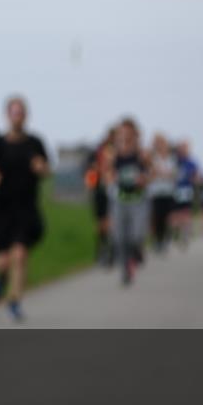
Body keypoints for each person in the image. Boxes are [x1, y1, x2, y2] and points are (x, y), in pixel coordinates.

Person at [0, 96, 49, 322]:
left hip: (26, 207)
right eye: (13, 112)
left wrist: (41, 168)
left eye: (20, 112)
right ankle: (0, 280)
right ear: (7, 115)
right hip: (2, 208)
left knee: (20, 255)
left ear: (26, 115)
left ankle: (14, 301)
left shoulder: (35, 143)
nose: (17, 116)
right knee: (2, 261)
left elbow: (46, 170)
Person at [101, 118, 149, 286]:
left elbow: (151, 174)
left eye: (128, 132)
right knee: (119, 238)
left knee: (136, 235)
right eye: (122, 132)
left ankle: (136, 252)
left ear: (134, 133)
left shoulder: (142, 154)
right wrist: (110, 177)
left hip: (137, 200)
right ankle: (125, 270)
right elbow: (106, 174)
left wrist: (143, 179)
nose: (125, 135)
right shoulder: (112, 154)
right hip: (119, 199)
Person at [85, 128, 116, 266]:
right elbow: (89, 174)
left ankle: (111, 250)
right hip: (100, 191)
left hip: (114, 191)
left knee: (111, 222)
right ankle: (102, 248)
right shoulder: (96, 153)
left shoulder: (119, 152)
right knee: (101, 223)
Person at [146, 133, 177, 253]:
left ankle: (164, 239)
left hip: (168, 192)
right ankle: (157, 240)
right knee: (156, 217)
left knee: (166, 218)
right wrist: (160, 173)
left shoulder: (171, 159)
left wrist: (162, 173)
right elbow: (152, 173)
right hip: (156, 192)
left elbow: (173, 174)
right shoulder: (153, 158)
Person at [170, 140, 199, 249]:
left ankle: (185, 234)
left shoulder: (191, 163)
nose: (183, 150)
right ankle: (175, 232)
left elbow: (195, 176)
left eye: (185, 148)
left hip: (186, 190)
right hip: (175, 190)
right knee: (174, 214)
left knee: (185, 213)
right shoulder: (174, 161)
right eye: (181, 148)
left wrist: (194, 180)